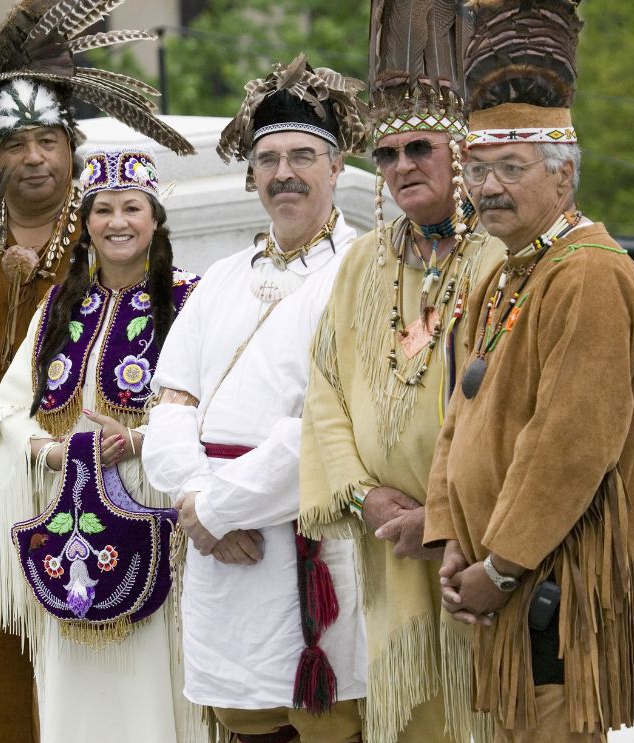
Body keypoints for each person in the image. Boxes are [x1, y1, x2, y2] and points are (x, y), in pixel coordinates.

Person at [0, 2, 193, 739]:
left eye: (48, 141)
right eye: (15, 142)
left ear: (71, 149)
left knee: (102, 656)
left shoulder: (104, 240)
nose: (32, 157)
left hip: (105, 484)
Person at [423, 2, 634, 741]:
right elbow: (460, 417)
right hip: (502, 580)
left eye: (510, 168)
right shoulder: (502, 271)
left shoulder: (589, 276)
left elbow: (571, 442)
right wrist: (452, 538)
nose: (486, 188)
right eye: (476, 170)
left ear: (563, 176)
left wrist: (501, 564)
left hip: (555, 589)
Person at [142, 54, 369, 743]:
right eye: (268, 159)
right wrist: (195, 499)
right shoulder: (219, 279)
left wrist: (216, 506)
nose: (283, 173)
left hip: (307, 540)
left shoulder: (363, 271)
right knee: (242, 724)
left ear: (334, 169)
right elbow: (170, 402)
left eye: (303, 155)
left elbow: (327, 424)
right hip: (219, 554)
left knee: (327, 726)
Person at [298, 4, 505, 741]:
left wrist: (444, 517)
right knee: (413, 718)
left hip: (484, 549)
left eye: (419, 147)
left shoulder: (500, 258)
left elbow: (515, 414)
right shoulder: (364, 260)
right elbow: (324, 386)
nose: (400, 167)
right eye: (384, 156)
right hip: (387, 546)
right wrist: (363, 494)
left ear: (462, 154)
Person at [0, 149, 206, 742]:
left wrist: (141, 437)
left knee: (156, 673)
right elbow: (10, 407)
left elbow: (218, 403)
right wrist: (48, 451)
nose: (118, 221)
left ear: (155, 219)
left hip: (154, 512)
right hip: (68, 515)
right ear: (85, 222)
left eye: (132, 208)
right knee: (71, 682)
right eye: (103, 209)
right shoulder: (60, 305)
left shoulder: (192, 300)